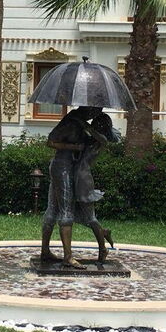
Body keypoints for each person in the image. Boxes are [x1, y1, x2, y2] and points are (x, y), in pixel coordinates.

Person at [40, 106, 120, 268]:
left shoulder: (85, 128)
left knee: (59, 210)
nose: (97, 112)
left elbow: (99, 140)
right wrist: (75, 147)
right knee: (64, 212)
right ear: (88, 109)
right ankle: (67, 256)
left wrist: (85, 126)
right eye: (96, 109)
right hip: (63, 168)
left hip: (74, 173)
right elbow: (51, 141)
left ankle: (47, 251)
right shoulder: (72, 123)